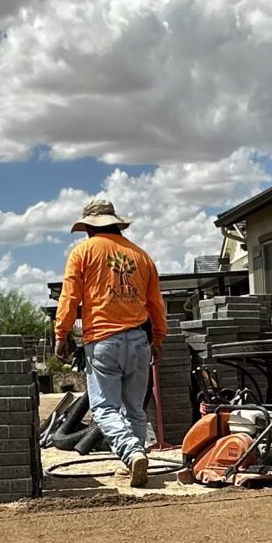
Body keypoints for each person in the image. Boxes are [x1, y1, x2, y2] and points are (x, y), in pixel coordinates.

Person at [52, 196, 167, 487]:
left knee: (104, 410)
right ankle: (133, 465)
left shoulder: (83, 252)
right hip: (139, 341)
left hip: (104, 341)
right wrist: (158, 338)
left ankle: (131, 454)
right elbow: (156, 304)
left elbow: (69, 299)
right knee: (135, 409)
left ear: (89, 228)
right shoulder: (142, 256)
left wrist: (61, 334)